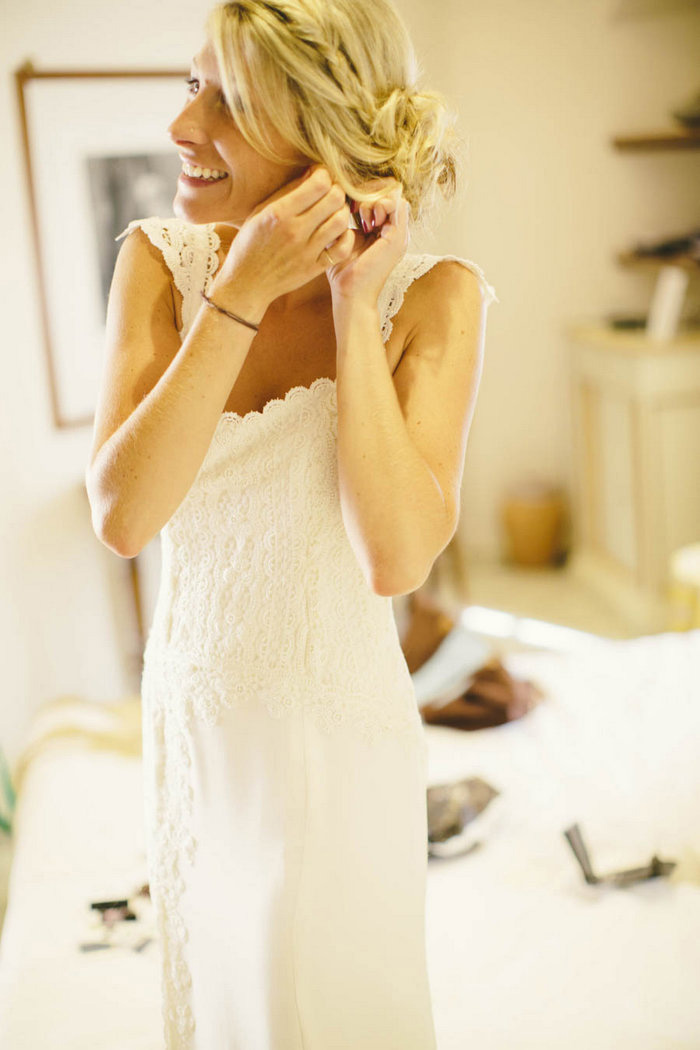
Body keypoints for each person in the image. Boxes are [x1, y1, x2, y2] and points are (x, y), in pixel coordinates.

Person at [85, 1, 498, 1047]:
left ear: (318, 122)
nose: (184, 127)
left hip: (337, 733)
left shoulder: (435, 297)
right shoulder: (158, 267)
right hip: (200, 723)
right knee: (225, 1000)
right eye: (191, 87)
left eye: (228, 99)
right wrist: (240, 291)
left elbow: (394, 555)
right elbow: (125, 517)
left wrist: (354, 308)